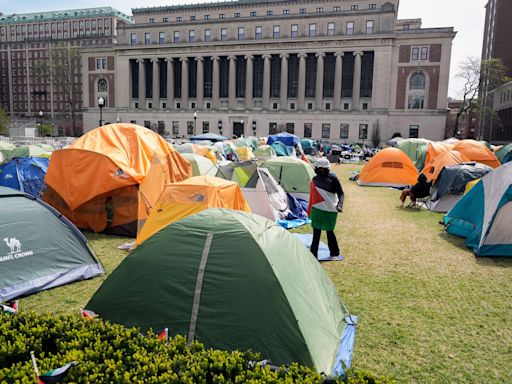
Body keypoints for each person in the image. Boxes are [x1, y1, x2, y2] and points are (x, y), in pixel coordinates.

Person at [307, 157, 344, 259]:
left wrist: (340, 205)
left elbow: (341, 193)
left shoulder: (333, 178)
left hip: (330, 209)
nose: (321, 171)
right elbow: (313, 196)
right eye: (319, 169)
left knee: (330, 231)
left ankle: (334, 253)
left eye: (323, 169)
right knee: (316, 233)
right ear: (316, 169)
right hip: (317, 209)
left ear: (327, 169)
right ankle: (313, 256)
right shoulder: (314, 179)